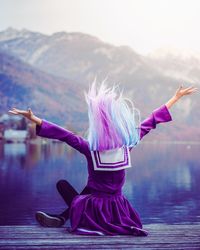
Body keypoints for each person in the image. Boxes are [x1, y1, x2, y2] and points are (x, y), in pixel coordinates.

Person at [8, 83, 198, 236]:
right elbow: (151, 121)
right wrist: (176, 98)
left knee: (65, 185)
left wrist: (35, 119)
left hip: (93, 213)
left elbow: (65, 135)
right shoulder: (126, 146)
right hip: (119, 212)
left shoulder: (90, 149)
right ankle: (61, 218)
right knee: (93, 188)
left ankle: (62, 218)